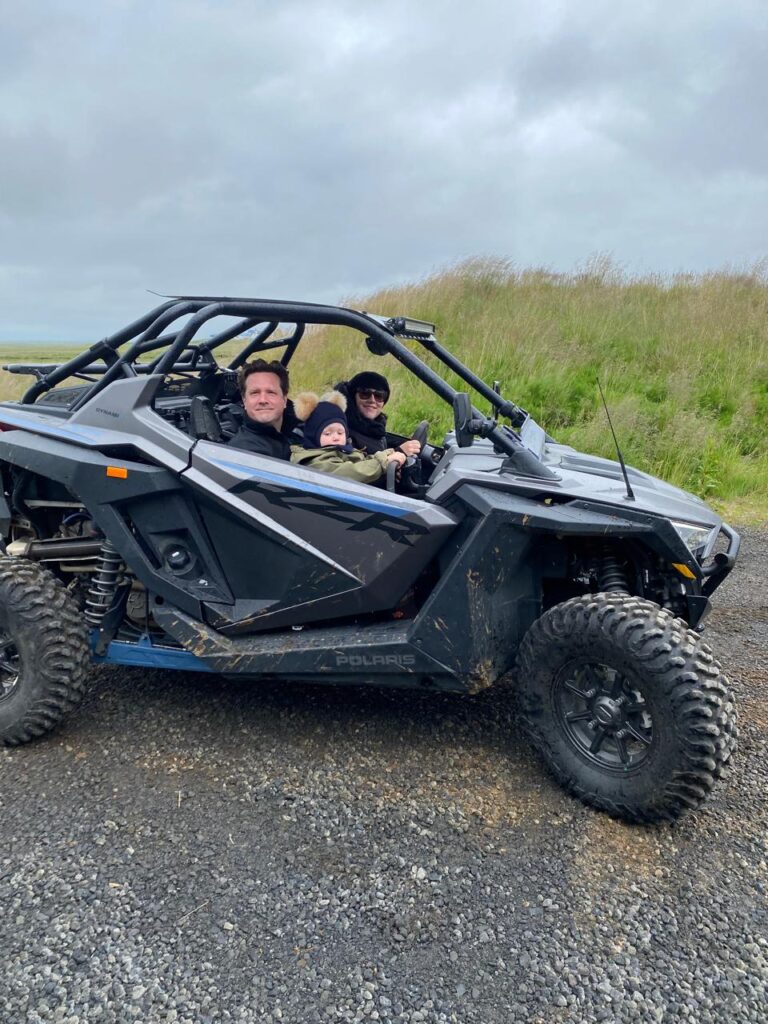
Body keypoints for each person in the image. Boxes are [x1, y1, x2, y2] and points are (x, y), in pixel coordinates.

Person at [290, 391, 406, 483]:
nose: (335, 437)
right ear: (313, 436)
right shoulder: (314, 460)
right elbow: (350, 472)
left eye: (340, 433)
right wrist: (383, 463)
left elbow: (365, 461)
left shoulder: (344, 451)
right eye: (328, 433)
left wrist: (390, 454)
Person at [337, 371, 421, 457]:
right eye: (365, 394)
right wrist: (398, 453)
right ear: (352, 397)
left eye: (379, 396)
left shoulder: (376, 429)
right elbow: (357, 467)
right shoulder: (340, 431)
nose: (372, 400)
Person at [227, 358, 298, 459]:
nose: (263, 400)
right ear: (244, 401)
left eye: (271, 392)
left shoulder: (297, 431)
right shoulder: (244, 454)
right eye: (255, 393)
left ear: (285, 399)